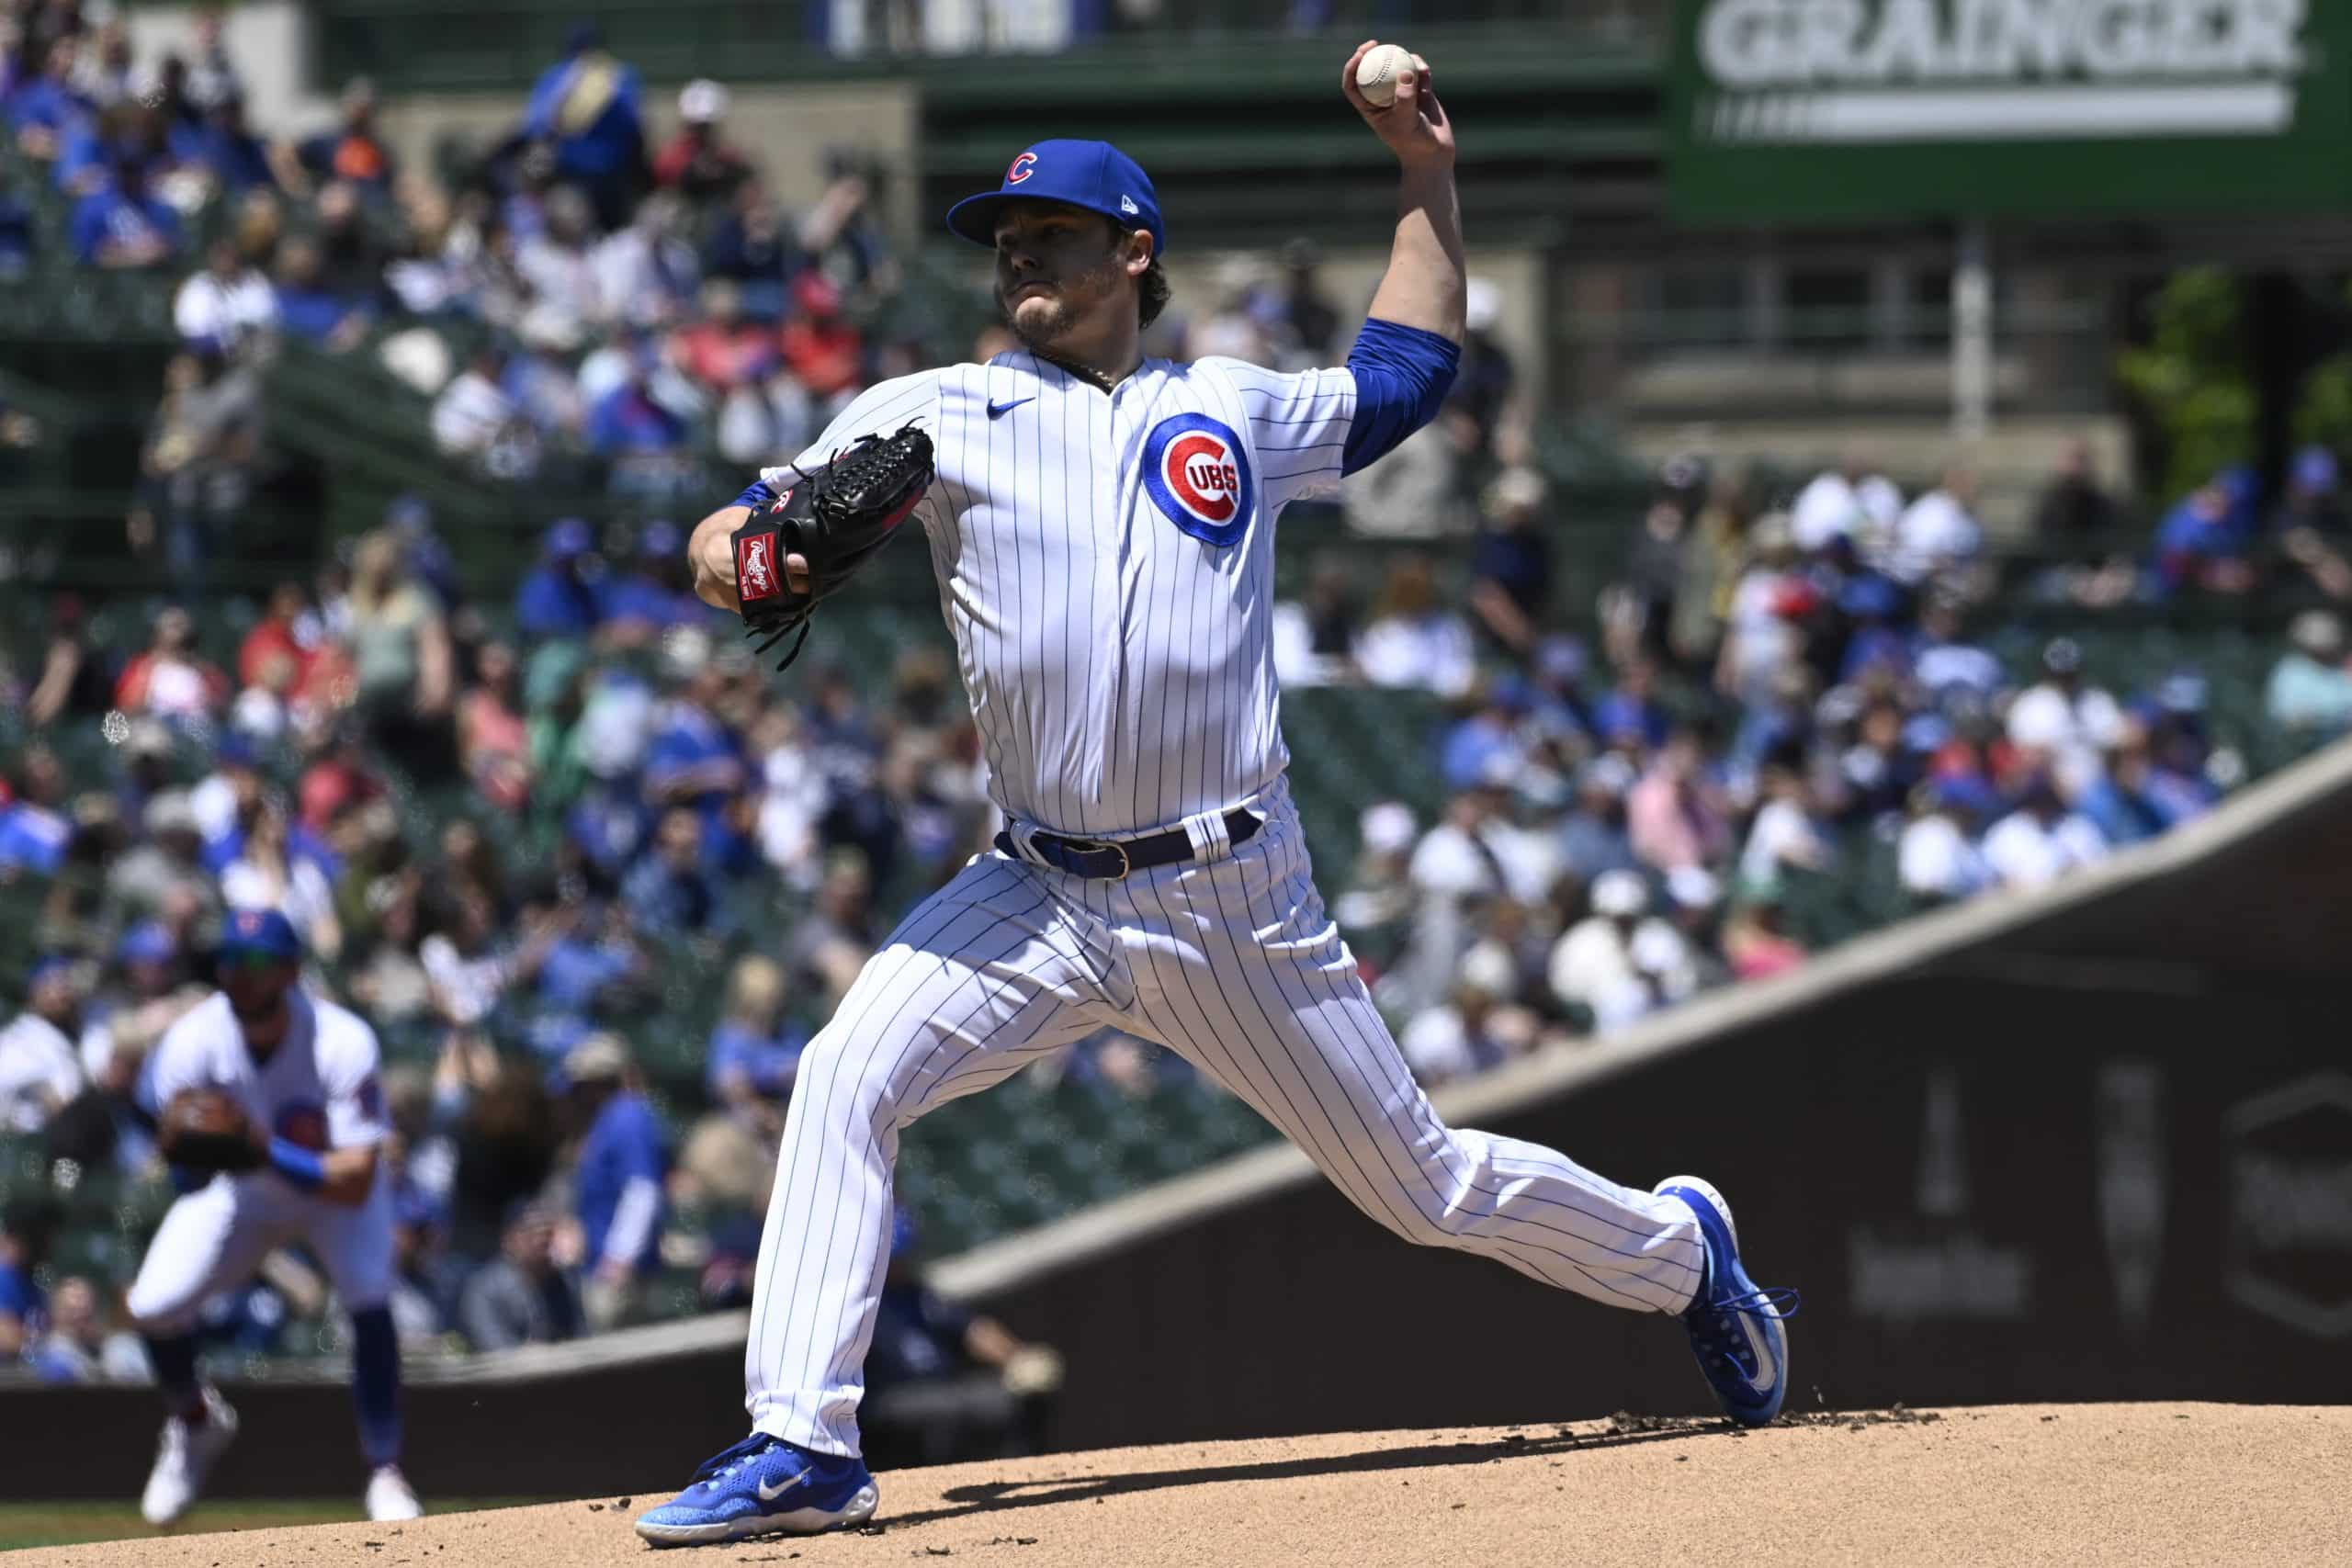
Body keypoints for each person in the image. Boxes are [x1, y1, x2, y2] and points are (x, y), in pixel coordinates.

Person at [634, 51, 1792, 1548]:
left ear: (1135, 253)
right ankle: (804, 1440)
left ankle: (1684, 1255)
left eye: (1052, 232)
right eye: (1006, 237)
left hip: (1232, 895)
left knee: (1425, 1187)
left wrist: (1426, 176)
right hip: (1038, 890)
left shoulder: (1230, 407)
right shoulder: (936, 410)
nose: (1020, 254)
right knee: (845, 1072)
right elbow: (730, 533)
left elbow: (1408, 373)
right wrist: (753, 557)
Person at [124, 909, 422, 1526]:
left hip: (334, 1195)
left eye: (257, 961)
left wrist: (263, 1149)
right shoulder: (193, 1040)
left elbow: (355, 1179)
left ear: (290, 970)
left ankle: (385, 1470)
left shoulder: (341, 1040)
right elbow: (186, 1170)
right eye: (229, 960)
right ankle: (195, 1423)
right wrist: (197, 1154)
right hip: (246, 1194)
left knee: (370, 1298)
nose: (240, 973)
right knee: (152, 1305)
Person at [564, 1032, 666, 1332]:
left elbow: (642, 1191)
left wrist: (621, 1257)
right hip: (601, 1266)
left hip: (617, 1275)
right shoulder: (608, 1120)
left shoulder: (628, 1116)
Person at [456, 1200, 581, 1351]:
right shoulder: (483, 1289)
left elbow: (579, 1340)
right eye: (531, 1232)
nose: (541, 1240)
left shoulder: (563, 1283)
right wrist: (529, 1355)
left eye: (547, 1233)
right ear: (508, 1240)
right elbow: (491, 1346)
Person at [0, 956, 87, 1134]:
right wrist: (44, 1091)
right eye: (53, 985)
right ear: (34, 992)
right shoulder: (20, 1036)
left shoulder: (70, 1037)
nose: (62, 994)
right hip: (22, 1137)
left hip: (58, 1136)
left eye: (66, 986)